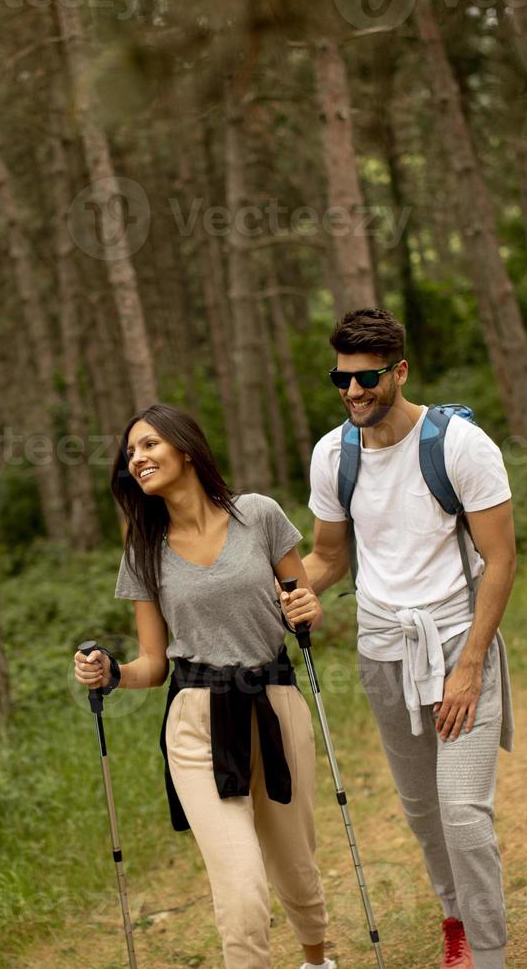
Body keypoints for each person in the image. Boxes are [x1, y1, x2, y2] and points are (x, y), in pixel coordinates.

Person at [73, 404, 337, 969]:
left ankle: (317, 961)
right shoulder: (144, 551)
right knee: (241, 888)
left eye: (148, 445)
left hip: (275, 704)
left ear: (185, 448)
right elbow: (152, 663)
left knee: (295, 864)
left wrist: (307, 608)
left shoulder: (258, 516)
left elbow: (302, 608)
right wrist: (113, 673)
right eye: (130, 454)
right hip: (195, 724)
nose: (136, 458)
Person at [299, 310, 518, 969]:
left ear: (399, 370)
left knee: (462, 813)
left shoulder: (459, 446)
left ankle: (488, 951)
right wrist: (294, 588)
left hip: (457, 643)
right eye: (341, 378)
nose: (353, 391)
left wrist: (472, 664)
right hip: (383, 654)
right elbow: (327, 558)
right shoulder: (332, 455)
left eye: (366, 377)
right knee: (423, 811)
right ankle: (455, 917)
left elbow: (501, 559)